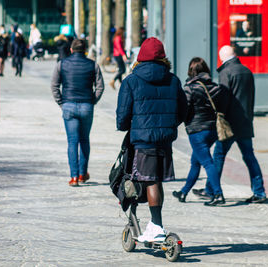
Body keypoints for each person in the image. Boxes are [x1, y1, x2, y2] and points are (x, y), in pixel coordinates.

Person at [116, 37, 187, 242]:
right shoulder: (173, 80)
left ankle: (156, 226)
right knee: (155, 180)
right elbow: (184, 110)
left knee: (150, 180)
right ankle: (154, 224)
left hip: (143, 140)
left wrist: (125, 127)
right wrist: (169, 125)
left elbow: (123, 114)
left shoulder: (131, 80)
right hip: (164, 140)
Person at [172, 57, 230, 206]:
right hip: (212, 130)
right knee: (195, 162)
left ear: (191, 71)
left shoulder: (190, 87)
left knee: (207, 163)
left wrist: (179, 121)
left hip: (196, 131)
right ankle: (183, 192)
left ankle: (218, 194)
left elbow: (185, 108)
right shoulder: (215, 87)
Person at [212, 45, 267, 203]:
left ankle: (212, 189)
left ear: (222, 57)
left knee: (218, 155)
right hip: (244, 122)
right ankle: (260, 192)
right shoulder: (246, 71)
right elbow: (251, 98)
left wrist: (218, 115)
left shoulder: (225, 72)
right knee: (249, 157)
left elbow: (223, 98)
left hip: (229, 124)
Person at [51, 39, 105, 186]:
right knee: (84, 140)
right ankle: (82, 174)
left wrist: (61, 102)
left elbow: (54, 86)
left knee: (72, 142)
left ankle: (74, 177)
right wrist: (92, 101)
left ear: (71, 49)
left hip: (68, 105)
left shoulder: (61, 64)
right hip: (86, 105)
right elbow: (100, 86)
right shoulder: (93, 65)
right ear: (85, 50)